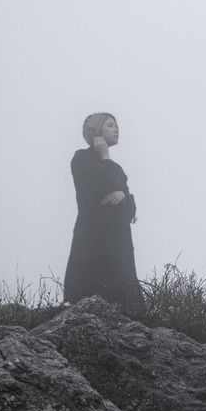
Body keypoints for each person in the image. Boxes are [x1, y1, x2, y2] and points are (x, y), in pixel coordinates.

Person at [63, 112, 144, 312]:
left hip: (119, 239)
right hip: (93, 235)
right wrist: (105, 157)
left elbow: (130, 211)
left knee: (126, 302)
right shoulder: (81, 158)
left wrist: (124, 196)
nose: (116, 129)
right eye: (110, 125)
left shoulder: (116, 167)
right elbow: (94, 191)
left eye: (116, 125)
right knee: (89, 298)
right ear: (96, 130)